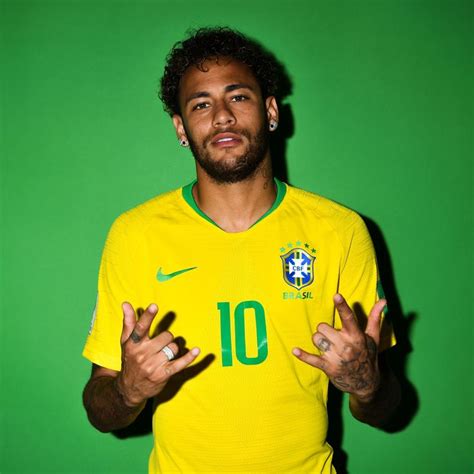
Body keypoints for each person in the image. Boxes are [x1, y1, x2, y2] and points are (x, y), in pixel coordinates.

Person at [82, 27, 400, 473]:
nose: (222, 116)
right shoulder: (134, 234)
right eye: (200, 104)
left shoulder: (340, 231)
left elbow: (386, 407)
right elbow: (100, 409)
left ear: (270, 111)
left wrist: (367, 385)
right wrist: (128, 392)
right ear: (180, 127)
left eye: (239, 97)